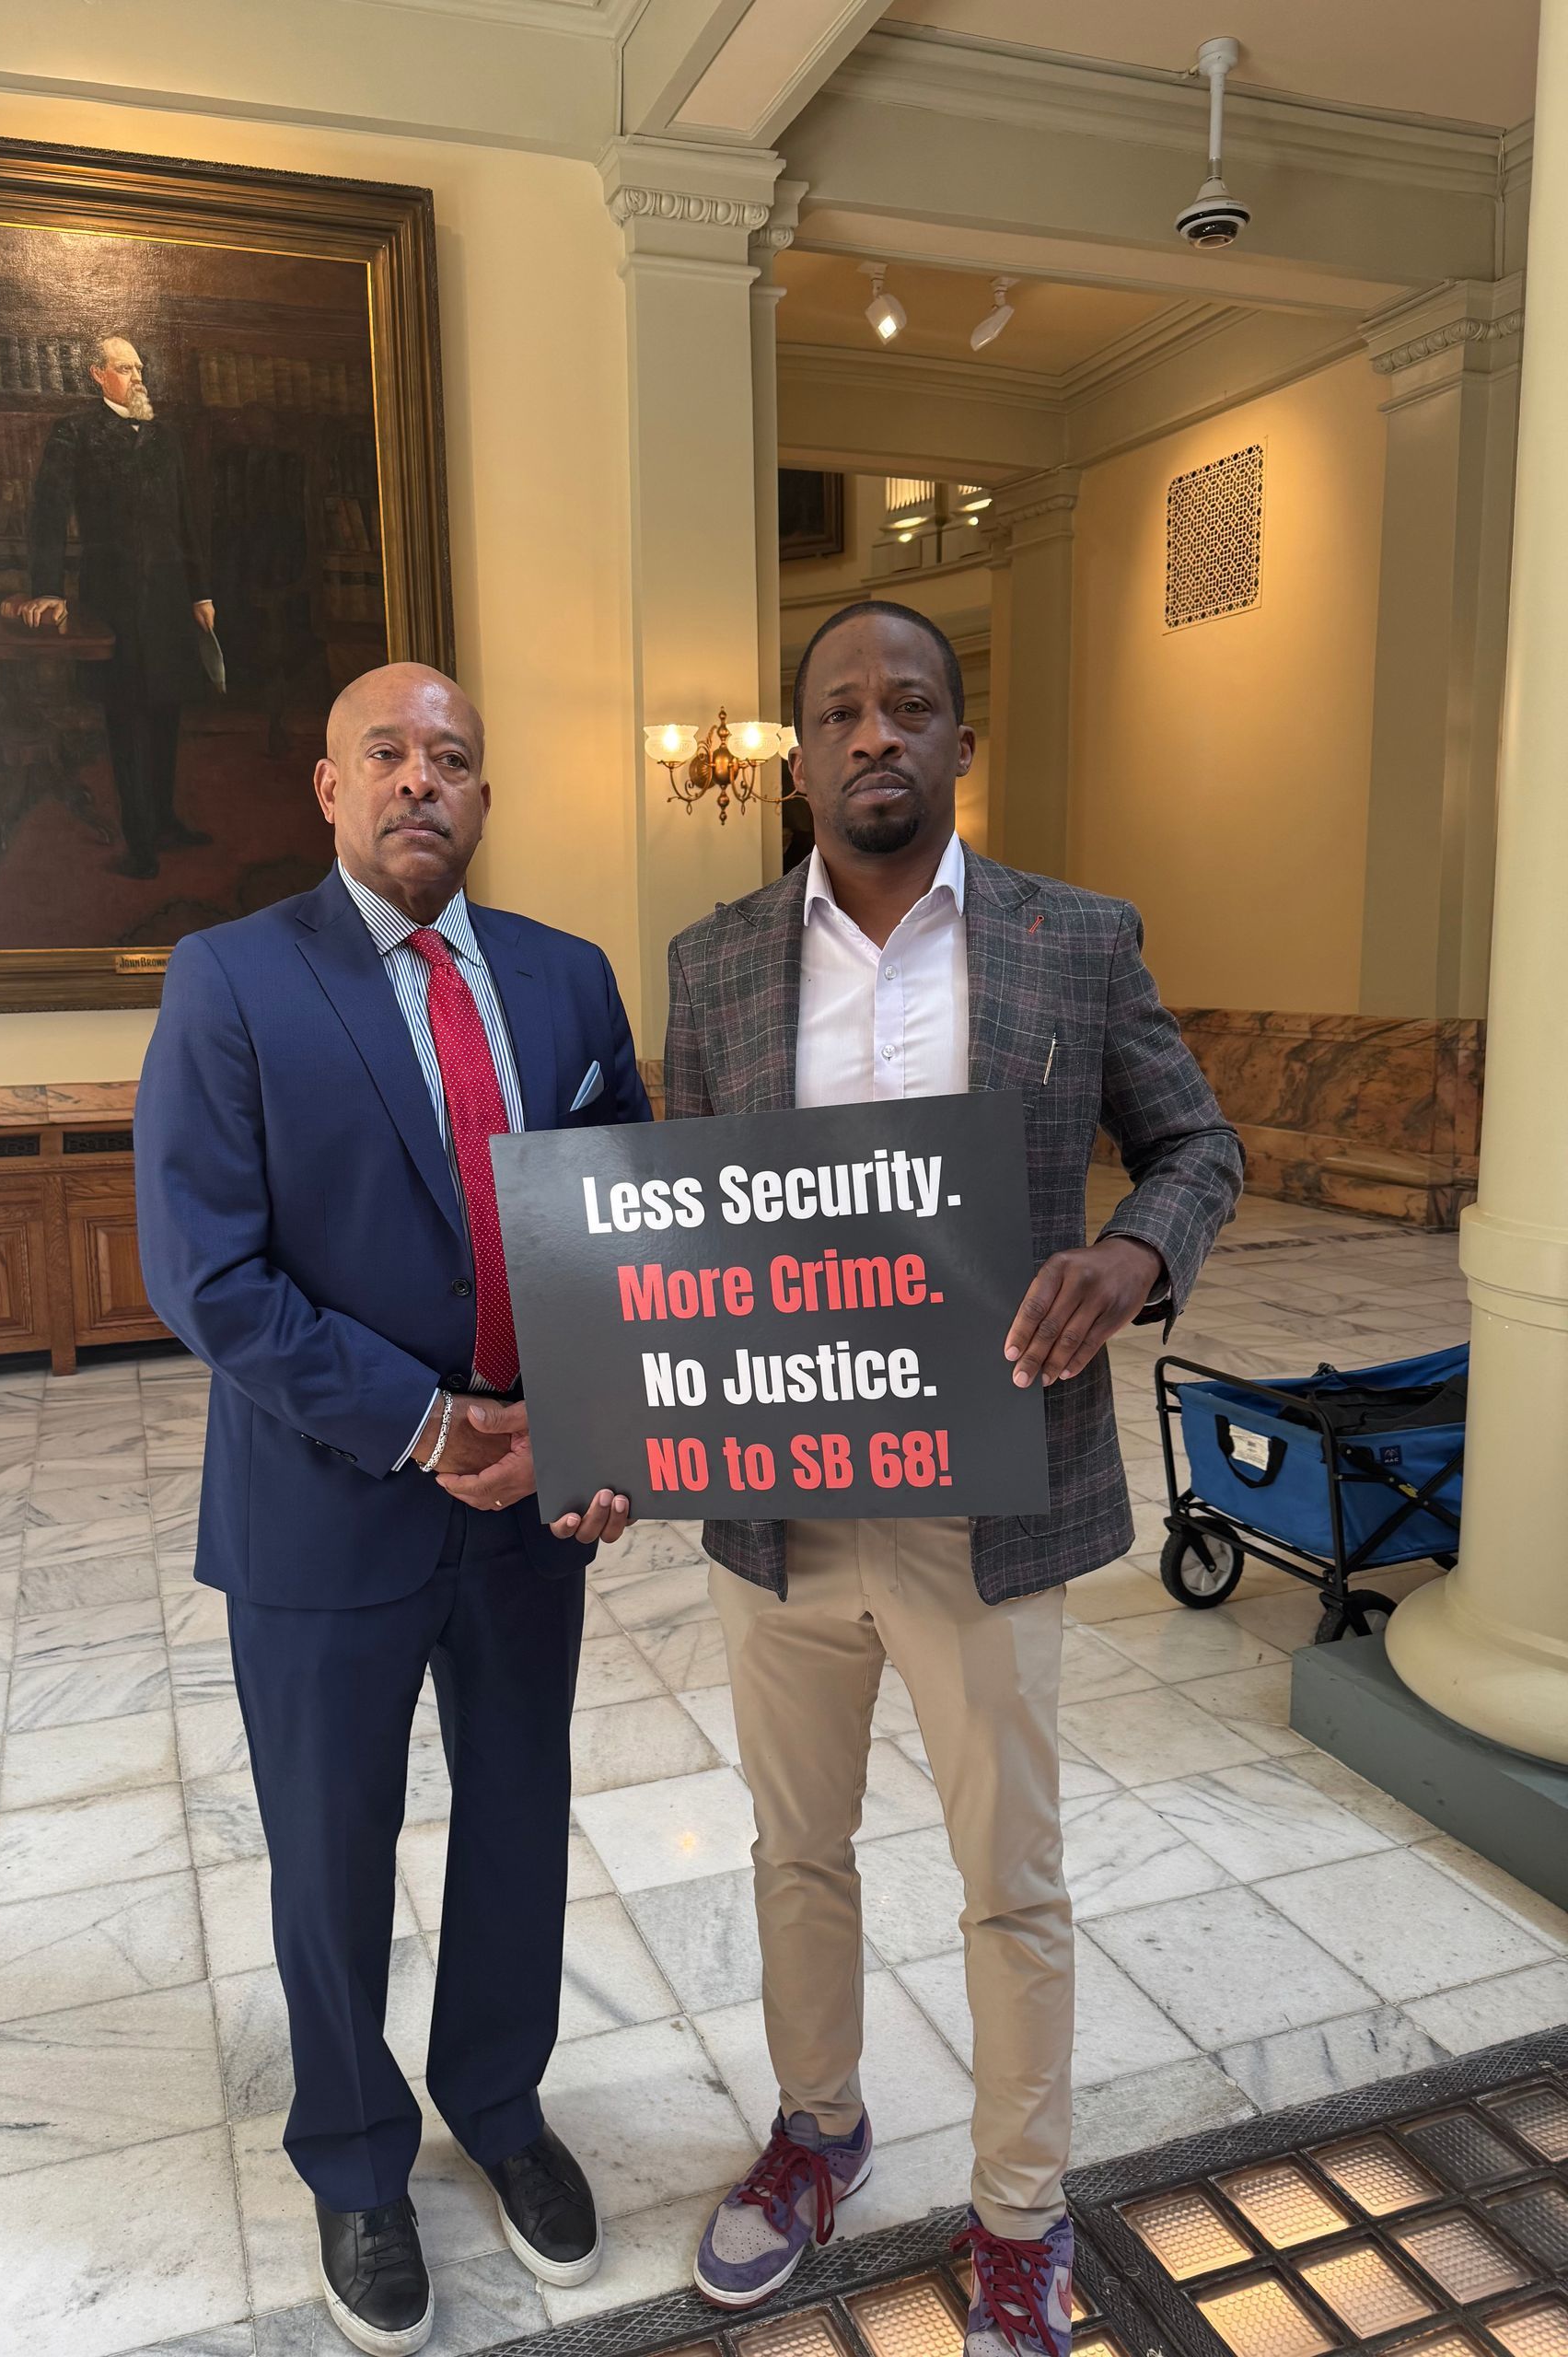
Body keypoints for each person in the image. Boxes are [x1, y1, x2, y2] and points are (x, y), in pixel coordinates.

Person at [668, 601, 1243, 2356]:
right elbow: (677, 1230)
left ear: (959, 741)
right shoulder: (711, 963)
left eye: (910, 704)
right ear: (798, 750)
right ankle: (820, 2126)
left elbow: (1199, 1146)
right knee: (796, 1850)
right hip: (780, 1503)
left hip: (989, 1502)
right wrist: (632, 1417)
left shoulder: (1077, 944)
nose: (874, 734)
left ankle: (1020, 2217)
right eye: (838, 709)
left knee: (1014, 1878)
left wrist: (1135, 1256)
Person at [134, 663, 646, 2357]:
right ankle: (355, 2157)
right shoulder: (231, 981)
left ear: (484, 798)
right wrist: (429, 1425)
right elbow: (206, 1276)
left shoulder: (569, 985)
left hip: (527, 1517)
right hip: (325, 1511)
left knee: (517, 1821)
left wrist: (600, 1431)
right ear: (329, 788)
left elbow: (625, 1237)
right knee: (329, 1851)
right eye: (388, 754)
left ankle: (497, 2106)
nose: (422, 779)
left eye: (454, 758)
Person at [20, 332, 216, 878]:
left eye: (139, 368)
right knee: (126, 717)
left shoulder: (165, 438)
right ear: (97, 374)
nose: (137, 377)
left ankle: (164, 822)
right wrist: (48, 589)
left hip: (170, 600)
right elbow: (48, 513)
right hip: (114, 601)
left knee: (166, 711)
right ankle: (139, 843)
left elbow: (184, 518)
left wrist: (199, 591)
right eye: (125, 368)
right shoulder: (76, 433)